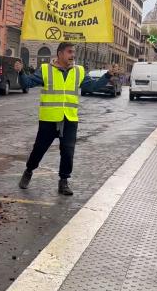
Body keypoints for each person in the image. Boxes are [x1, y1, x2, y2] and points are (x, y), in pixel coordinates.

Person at [14, 42, 118, 195]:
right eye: (69, 52)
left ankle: (63, 182)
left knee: (68, 152)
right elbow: (27, 83)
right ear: (60, 53)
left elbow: (93, 87)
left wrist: (108, 75)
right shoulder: (45, 70)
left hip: (69, 119)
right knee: (39, 150)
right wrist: (21, 72)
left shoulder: (79, 71)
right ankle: (29, 171)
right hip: (49, 119)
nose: (73, 55)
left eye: (73, 52)